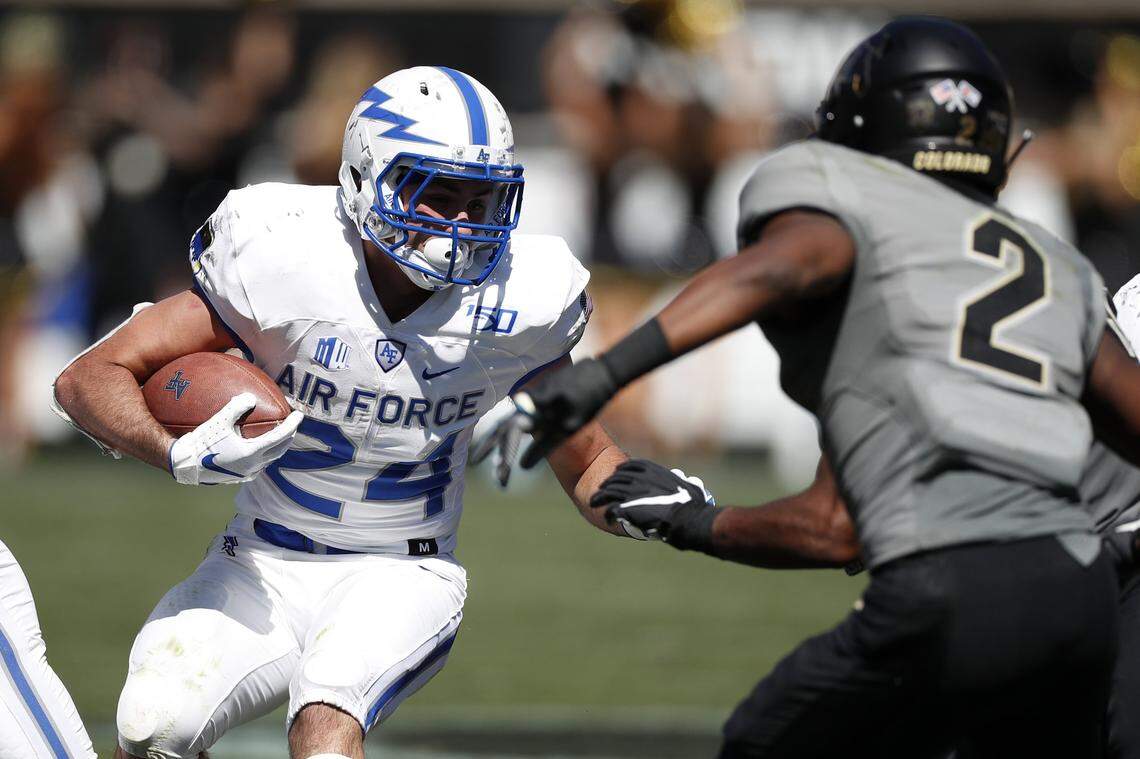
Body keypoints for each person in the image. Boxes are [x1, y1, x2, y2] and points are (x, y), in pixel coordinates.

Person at [477, 17, 1140, 758]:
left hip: (952, 595)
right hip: (1082, 599)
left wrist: (611, 383)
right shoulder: (1057, 267)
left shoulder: (864, 235)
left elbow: (776, 275)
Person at [51, 66, 634, 759]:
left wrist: (658, 506)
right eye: (437, 194)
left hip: (400, 570)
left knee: (326, 728)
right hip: (260, 559)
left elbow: (590, 462)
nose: (462, 224)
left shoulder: (518, 299)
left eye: (480, 200)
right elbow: (87, 377)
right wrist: (173, 450)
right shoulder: (282, 254)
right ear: (365, 179)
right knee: (154, 724)